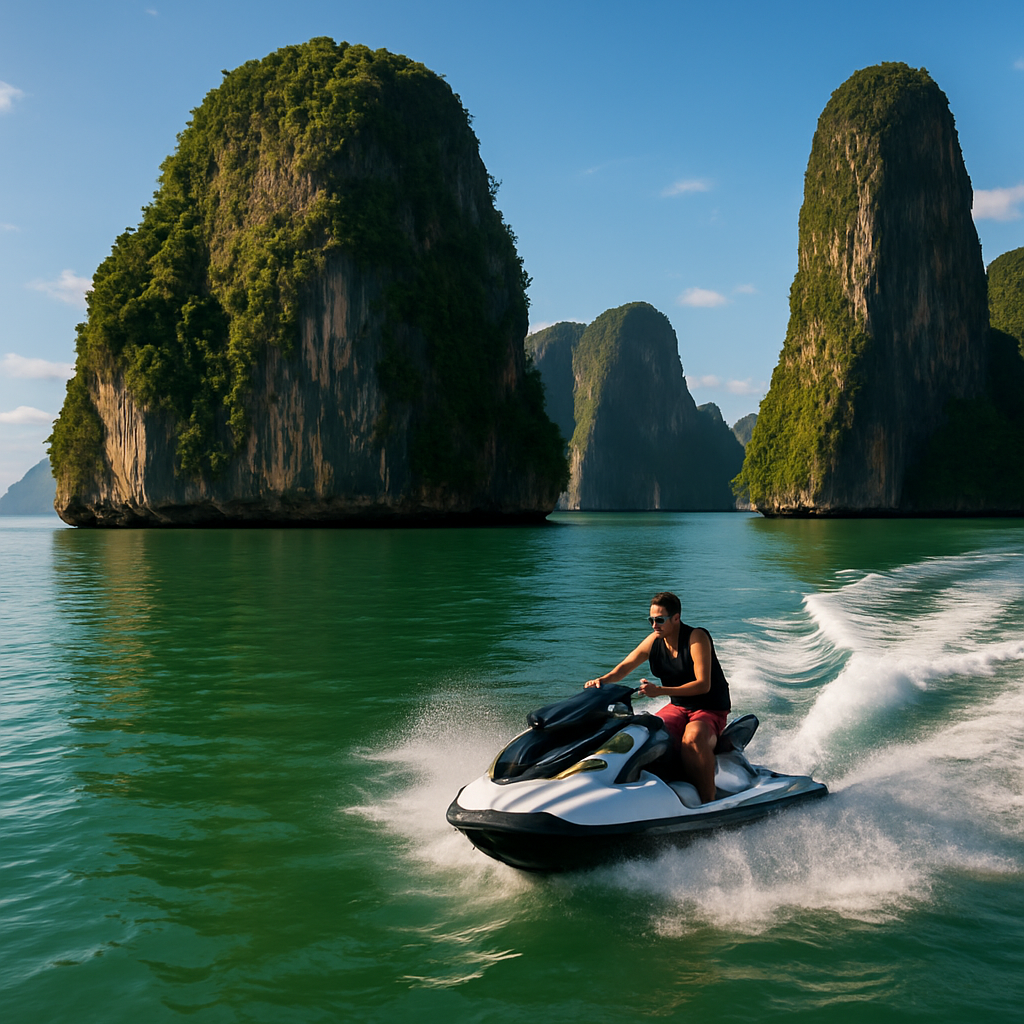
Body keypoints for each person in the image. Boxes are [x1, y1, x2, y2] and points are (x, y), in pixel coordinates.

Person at [585, 591, 731, 803]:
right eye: (651, 620)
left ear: (676, 618)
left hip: (709, 707)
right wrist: (602, 680)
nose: (654, 625)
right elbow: (625, 666)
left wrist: (660, 691)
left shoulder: (696, 638)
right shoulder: (654, 641)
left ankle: (709, 800)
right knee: (646, 733)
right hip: (679, 706)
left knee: (692, 739)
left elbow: (703, 684)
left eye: (660, 620)